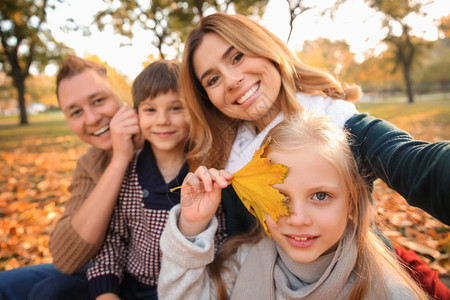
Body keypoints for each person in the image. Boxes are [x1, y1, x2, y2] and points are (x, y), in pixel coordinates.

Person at [179, 13, 449, 232]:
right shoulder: (226, 169)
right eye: (212, 79)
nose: (231, 80)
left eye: (237, 56)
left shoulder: (342, 126)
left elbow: (414, 162)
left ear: (266, 49)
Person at [158, 112, 429, 299]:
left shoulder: (387, 289)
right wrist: (192, 226)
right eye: (281, 197)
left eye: (320, 196)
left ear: (352, 201)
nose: (297, 218)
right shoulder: (239, 263)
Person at [0, 55, 141, 300]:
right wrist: (118, 161)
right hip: (102, 270)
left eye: (98, 100)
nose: (91, 119)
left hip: (149, 276)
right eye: (76, 112)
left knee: (46, 293)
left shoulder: (163, 137)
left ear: (123, 95)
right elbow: (66, 257)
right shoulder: (91, 162)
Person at [86, 59, 227, 300]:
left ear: (194, 111)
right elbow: (113, 240)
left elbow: (221, 242)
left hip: (190, 289)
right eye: (150, 110)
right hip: (131, 287)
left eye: (176, 108)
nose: (162, 120)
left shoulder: (207, 173)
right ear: (136, 114)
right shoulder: (128, 171)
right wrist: (106, 292)